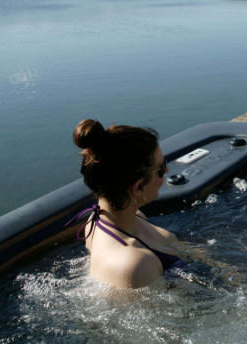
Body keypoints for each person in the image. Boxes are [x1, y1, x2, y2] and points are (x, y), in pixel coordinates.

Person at [69, 119, 188, 289]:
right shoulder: (136, 265)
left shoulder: (105, 221)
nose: (167, 171)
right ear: (138, 187)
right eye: (161, 168)